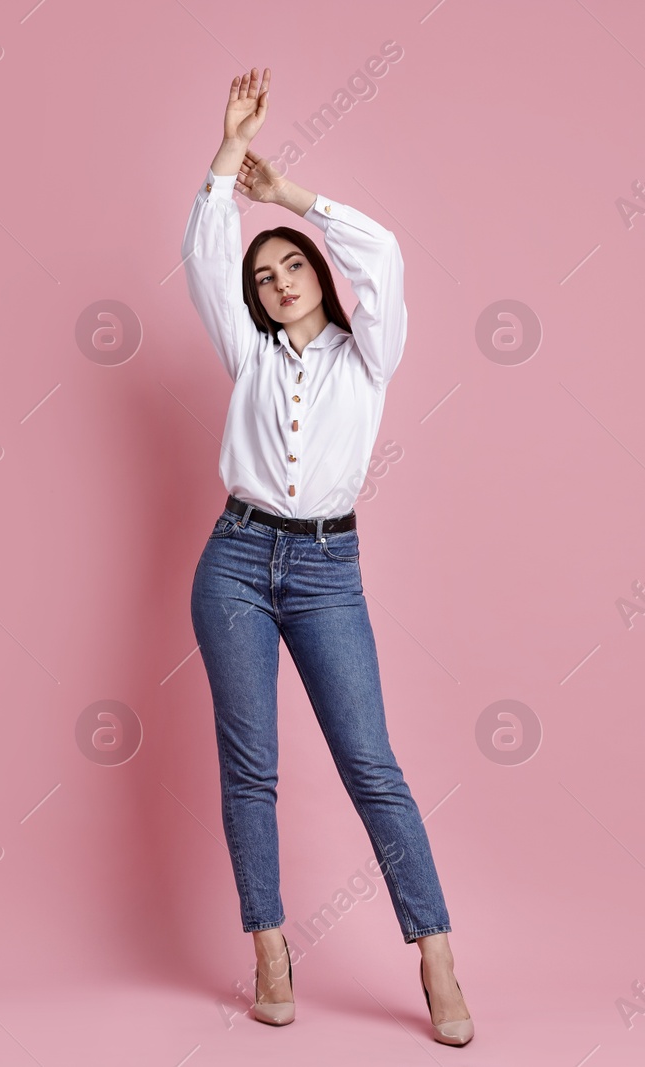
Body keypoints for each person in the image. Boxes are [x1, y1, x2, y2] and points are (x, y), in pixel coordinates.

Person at [183, 66, 473, 1047]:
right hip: (233, 562)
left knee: (370, 762)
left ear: (317, 272)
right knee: (249, 766)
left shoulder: (367, 358)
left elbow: (382, 252)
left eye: (290, 266)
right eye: (262, 277)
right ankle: (268, 943)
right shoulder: (250, 355)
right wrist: (224, 155)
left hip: (324, 572)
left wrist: (285, 192)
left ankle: (432, 948)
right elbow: (200, 251)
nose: (275, 282)